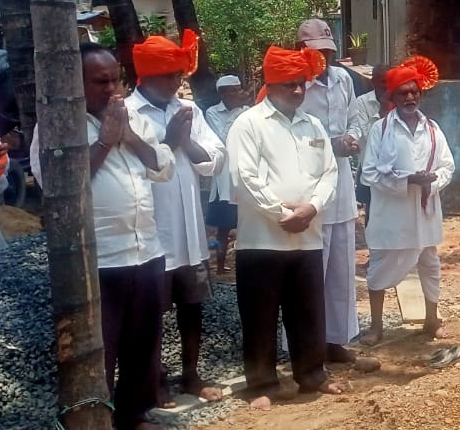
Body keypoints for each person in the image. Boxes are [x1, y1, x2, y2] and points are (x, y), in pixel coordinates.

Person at [31, 42, 174, 430]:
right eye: (100, 81)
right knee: (101, 345)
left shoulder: (131, 117)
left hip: (145, 248)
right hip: (99, 258)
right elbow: (57, 184)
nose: (111, 88)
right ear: (76, 84)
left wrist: (128, 135)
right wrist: (105, 141)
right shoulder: (58, 122)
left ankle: (135, 413)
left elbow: (163, 165)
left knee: (143, 340)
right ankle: (98, 417)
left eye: (115, 79)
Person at [227, 46, 345, 410]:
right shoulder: (248, 124)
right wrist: (282, 213)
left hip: (307, 234)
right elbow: (243, 177)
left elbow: (330, 172)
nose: (297, 91)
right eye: (289, 85)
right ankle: (262, 382)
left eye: (301, 84)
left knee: (309, 310)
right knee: (260, 315)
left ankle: (312, 375)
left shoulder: (313, 125)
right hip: (262, 238)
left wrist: (311, 207)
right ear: (270, 83)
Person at [125, 31, 226, 403]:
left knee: (191, 307)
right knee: (149, 315)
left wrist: (184, 141)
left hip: (190, 231)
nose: (177, 81)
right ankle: (154, 381)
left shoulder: (190, 111)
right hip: (152, 232)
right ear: (147, 75)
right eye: (170, 75)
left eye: (179, 74)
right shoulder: (128, 114)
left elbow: (213, 161)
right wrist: (168, 140)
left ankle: (191, 374)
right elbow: (139, 168)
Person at [360, 56, 454, 346]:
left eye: (414, 92)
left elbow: (448, 166)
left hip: (425, 212)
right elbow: (369, 173)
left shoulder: (433, 129)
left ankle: (431, 319)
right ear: (392, 97)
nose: (410, 97)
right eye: (404, 92)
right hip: (393, 215)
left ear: (420, 94)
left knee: (429, 263)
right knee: (379, 268)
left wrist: (432, 181)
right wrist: (406, 181)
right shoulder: (381, 130)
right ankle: (376, 327)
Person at [295, 19, 361, 364]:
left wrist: (352, 139)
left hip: (342, 185)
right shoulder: (295, 85)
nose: (324, 59)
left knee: (340, 268)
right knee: (310, 269)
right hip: (308, 185)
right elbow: (291, 134)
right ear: (303, 50)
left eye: (327, 52)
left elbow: (354, 118)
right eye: (316, 52)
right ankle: (307, 345)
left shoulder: (343, 79)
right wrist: (328, 144)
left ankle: (336, 340)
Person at [205, 75, 251, 274]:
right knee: (223, 227)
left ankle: (246, 265)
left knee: (247, 223)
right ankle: (221, 266)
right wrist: (234, 111)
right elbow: (223, 139)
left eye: (238, 90)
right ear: (221, 93)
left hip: (246, 174)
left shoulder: (249, 112)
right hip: (224, 179)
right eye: (231, 91)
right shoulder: (212, 113)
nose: (236, 94)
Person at [348, 64, 391, 226]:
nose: (387, 86)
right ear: (373, 82)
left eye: (390, 81)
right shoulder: (362, 103)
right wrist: (383, 111)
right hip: (371, 170)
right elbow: (366, 136)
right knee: (374, 217)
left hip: (395, 171)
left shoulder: (400, 101)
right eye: (382, 82)